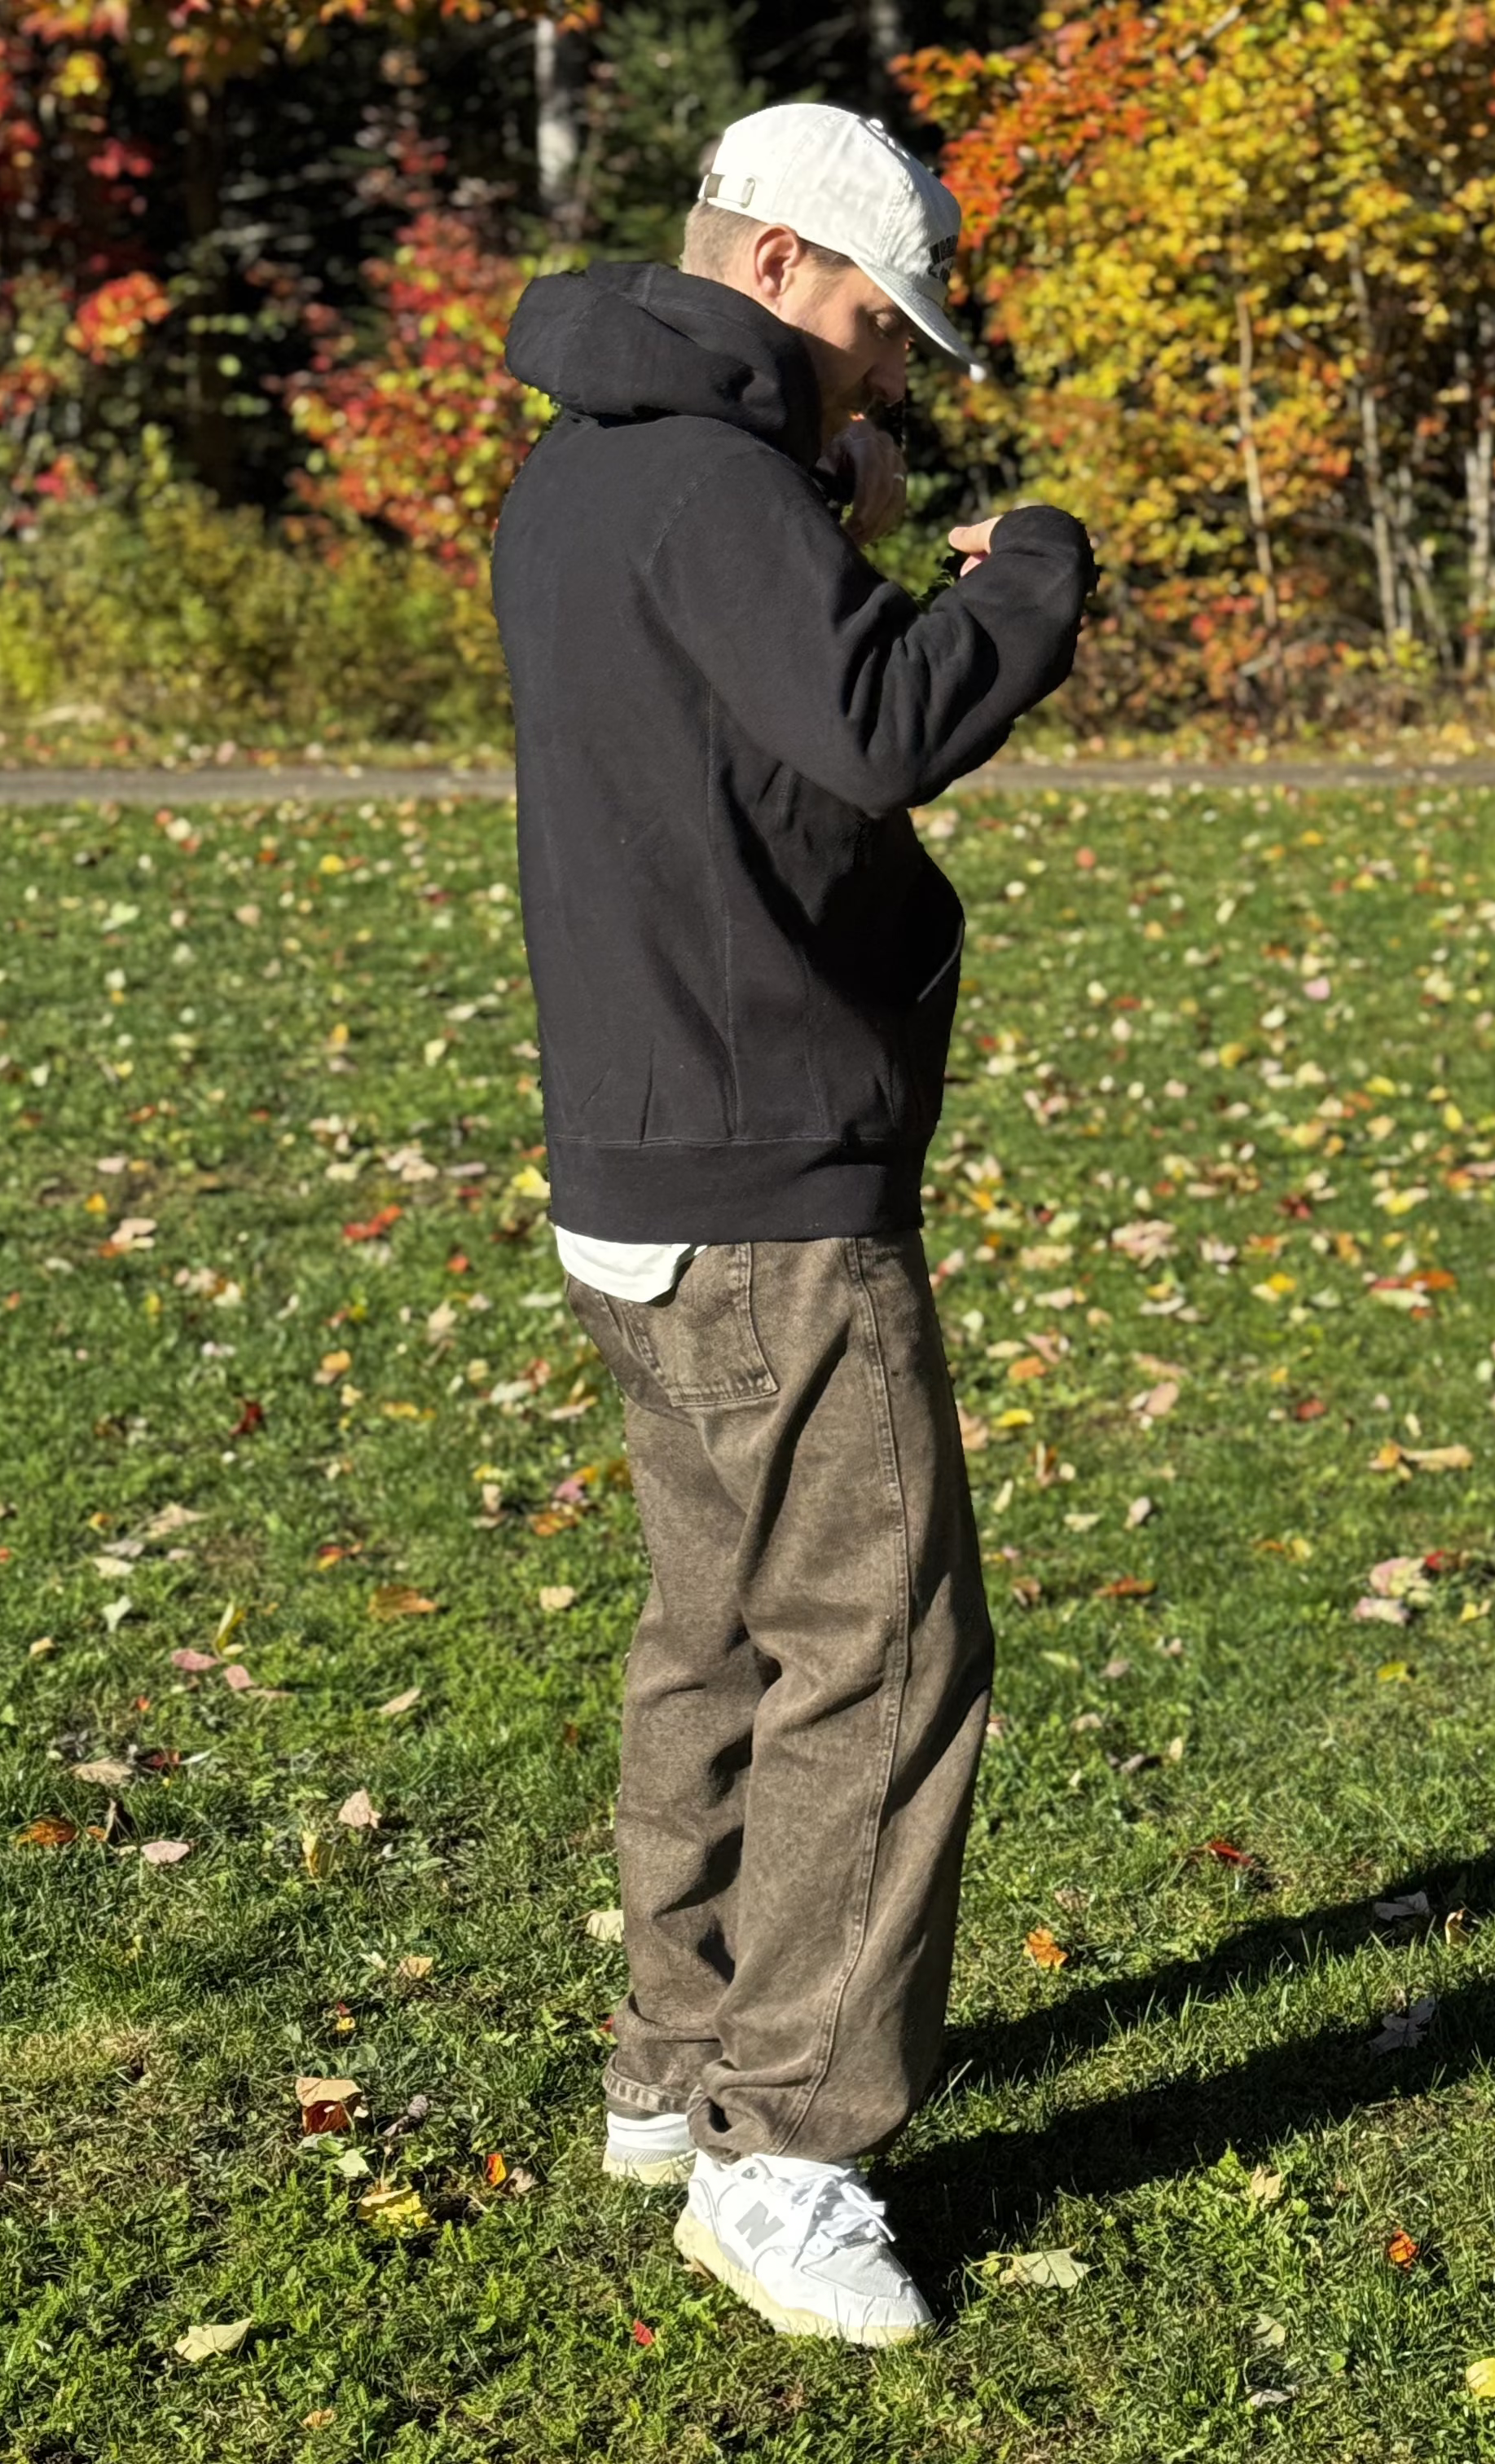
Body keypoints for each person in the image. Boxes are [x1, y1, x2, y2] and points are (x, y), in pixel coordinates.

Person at [491, 102, 1096, 2347]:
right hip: (766, 1185)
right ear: (772, 273)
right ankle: (790, 2150)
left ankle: (673, 2068)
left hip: (635, 1158)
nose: (896, 378)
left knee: (719, 1632)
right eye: (873, 328)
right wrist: (1028, 565)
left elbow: (732, 724)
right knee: (885, 1645)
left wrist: (827, 519)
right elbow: (874, 722)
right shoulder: (712, 484)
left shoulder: (578, 475)